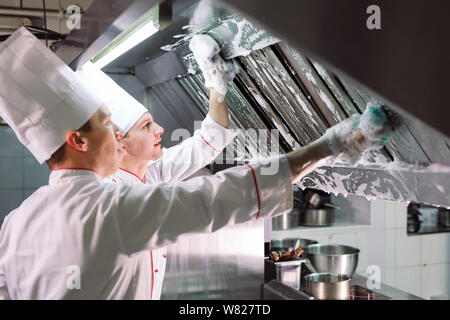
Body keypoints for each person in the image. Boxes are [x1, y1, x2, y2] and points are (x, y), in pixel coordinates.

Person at [0, 28, 391, 299]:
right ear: (78, 140)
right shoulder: (107, 210)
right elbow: (220, 198)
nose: (115, 138)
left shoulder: (18, 221)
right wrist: (330, 145)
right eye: (107, 126)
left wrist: (216, 83)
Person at [75, 43, 238, 299]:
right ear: (120, 143)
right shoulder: (107, 195)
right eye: (147, 125)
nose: (159, 129)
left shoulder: (152, 172)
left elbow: (211, 140)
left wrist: (216, 83)